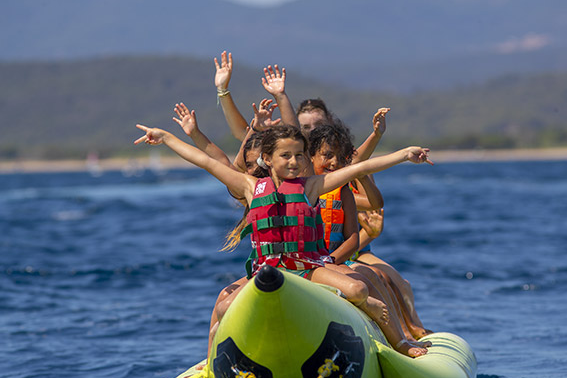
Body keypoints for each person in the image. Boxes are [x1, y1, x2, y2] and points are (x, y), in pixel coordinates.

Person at [134, 123, 432, 357]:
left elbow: (360, 168)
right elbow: (205, 161)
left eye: (299, 155)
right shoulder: (250, 187)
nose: (294, 161)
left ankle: (400, 342)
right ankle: (212, 363)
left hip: (306, 266)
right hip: (268, 271)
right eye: (285, 155)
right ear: (267, 159)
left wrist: (404, 154)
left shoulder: (311, 185)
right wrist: (165, 138)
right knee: (224, 310)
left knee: (357, 288)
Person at [309, 122, 431, 347]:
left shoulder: (343, 191)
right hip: (305, 264)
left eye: (339, 158)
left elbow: (369, 213)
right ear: (310, 157)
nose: (333, 162)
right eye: (327, 155)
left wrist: (363, 171)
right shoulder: (301, 190)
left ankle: (400, 340)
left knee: (374, 277)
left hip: (333, 261)